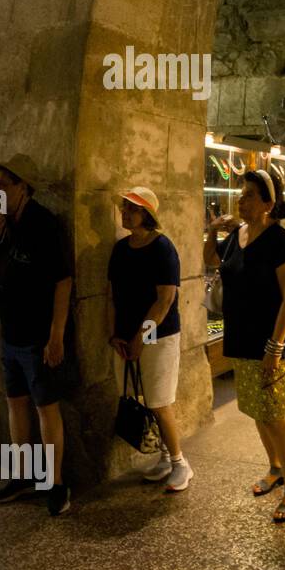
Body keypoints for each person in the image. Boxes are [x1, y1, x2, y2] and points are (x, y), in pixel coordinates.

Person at [204, 168, 285, 522]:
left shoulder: (280, 241)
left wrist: (274, 349)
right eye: (241, 193)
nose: (240, 199)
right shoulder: (238, 235)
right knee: (257, 410)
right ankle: (276, 467)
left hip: (269, 343)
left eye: (248, 194)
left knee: (274, 414)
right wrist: (212, 231)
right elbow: (211, 262)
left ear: (268, 203)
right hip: (241, 338)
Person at [0, 154, 74, 516]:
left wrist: (56, 336)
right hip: (9, 334)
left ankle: (55, 483)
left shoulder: (43, 223)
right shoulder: (2, 224)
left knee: (45, 408)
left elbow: (63, 281)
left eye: (3, 184)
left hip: (37, 336)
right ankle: (22, 477)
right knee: (15, 404)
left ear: (23, 187)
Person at [106, 187, 190, 492]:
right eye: (124, 207)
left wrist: (142, 338)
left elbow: (164, 300)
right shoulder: (120, 249)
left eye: (132, 208)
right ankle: (166, 458)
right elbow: (112, 296)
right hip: (127, 336)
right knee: (142, 397)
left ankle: (181, 463)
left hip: (160, 335)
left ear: (147, 215)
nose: (125, 213)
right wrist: (114, 334)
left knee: (159, 400)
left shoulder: (163, 248)